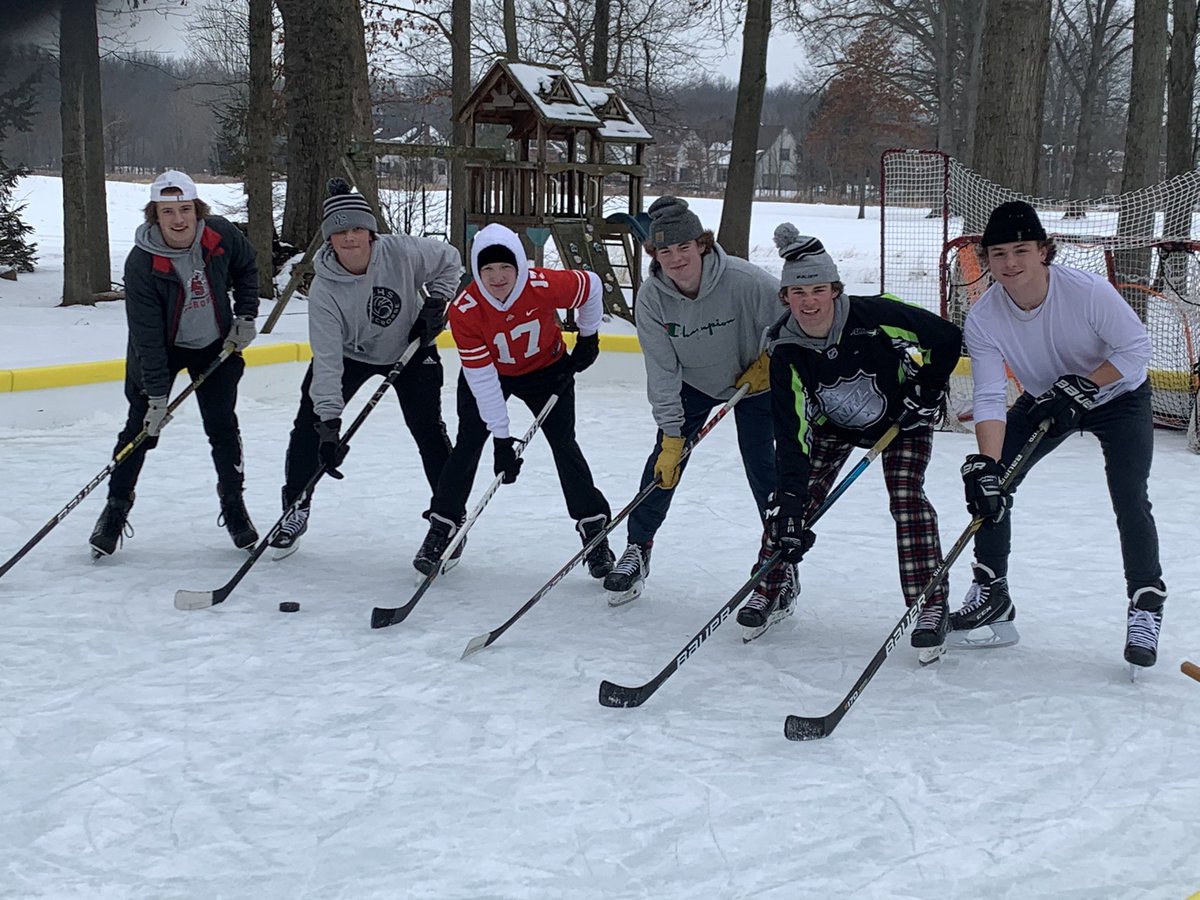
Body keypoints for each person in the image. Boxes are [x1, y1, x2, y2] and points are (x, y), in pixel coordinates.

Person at [955, 200, 1166, 669]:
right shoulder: (984, 316)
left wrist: (1087, 385)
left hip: (1118, 397)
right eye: (998, 254)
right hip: (1049, 399)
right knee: (994, 486)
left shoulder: (1087, 292)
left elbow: (1136, 350)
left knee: (1130, 495)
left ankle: (1146, 603)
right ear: (985, 258)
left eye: (1021, 250)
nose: (1010, 264)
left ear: (1044, 251)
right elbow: (990, 396)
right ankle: (992, 589)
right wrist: (988, 467)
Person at [743, 226, 962, 649]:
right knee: (789, 503)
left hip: (902, 420)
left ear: (836, 291)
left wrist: (929, 389)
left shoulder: (873, 316)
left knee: (906, 497)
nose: (809, 301)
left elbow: (946, 338)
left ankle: (929, 603)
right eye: (798, 292)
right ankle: (771, 585)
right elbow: (792, 434)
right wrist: (790, 505)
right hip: (834, 426)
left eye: (818, 289)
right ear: (785, 297)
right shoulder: (786, 349)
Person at [603, 196, 781, 605]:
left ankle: (778, 564)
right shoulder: (651, 297)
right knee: (664, 463)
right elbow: (662, 370)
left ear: (701, 244)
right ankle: (638, 547)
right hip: (694, 384)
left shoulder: (746, 280)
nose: (676, 258)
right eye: (665, 250)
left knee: (765, 469)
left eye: (684, 247)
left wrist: (772, 360)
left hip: (756, 384)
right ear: (654, 254)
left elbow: (794, 320)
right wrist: (671, 434)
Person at [270, 179, 461, 559]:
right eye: (340, 231)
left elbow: (451, 260)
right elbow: (326, 358)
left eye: (357, 229)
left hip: (409, 346)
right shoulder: (324, 289)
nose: (350, 238)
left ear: (371, 232)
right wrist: (329, 424)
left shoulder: (403, 251)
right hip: (351, 354)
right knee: (308, 424)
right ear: (328, 239)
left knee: (427, 429)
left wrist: (436, 305)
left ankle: (447, 520)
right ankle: (296, 505)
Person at [413, 222, 614, 579]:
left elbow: (593, 287)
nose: (498, 276)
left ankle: (594, 530)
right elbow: (483, 378)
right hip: (492, 373)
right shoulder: (465, 309)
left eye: (505, 267)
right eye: (488, 269)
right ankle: (442, 526)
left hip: (548, 370)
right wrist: (502, 439)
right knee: (469, 444)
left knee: (564, 445)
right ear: (477, 270)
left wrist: (588, 337)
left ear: (519, 265)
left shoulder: (544, 284)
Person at [89, 169, 260, 558]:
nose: (178, 219)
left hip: (214, 345)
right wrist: (155, 396)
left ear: (198, 210)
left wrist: (246, 316)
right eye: (168, 212)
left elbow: (247, 267)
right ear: (155, 215)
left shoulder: (220, 234)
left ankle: (234, 506)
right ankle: (115, 510)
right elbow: (146, 334)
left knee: (222, 426)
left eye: (185, 209)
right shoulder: (141, 263)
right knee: (140, 429)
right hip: (160, 352)